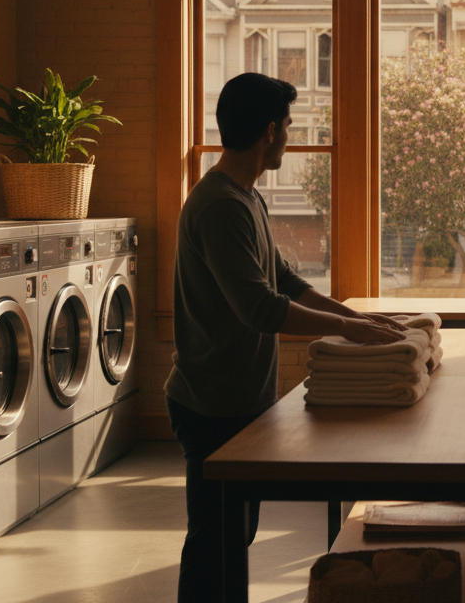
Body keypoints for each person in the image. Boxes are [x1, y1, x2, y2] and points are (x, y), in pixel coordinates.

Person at [165, 72, 404, 603]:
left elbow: (287, 282)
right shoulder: (222, 205)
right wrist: (350, 327)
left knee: (230, 537)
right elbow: (260, 308)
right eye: (290, 126)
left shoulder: (246, 196)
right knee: (215, 544)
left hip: (236, 399)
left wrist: (354, 319)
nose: (291, 137)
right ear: (270, 131)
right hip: (211, 403)